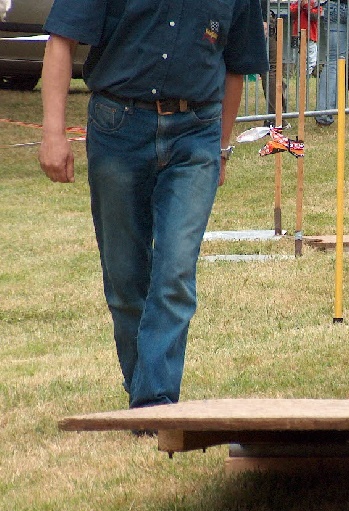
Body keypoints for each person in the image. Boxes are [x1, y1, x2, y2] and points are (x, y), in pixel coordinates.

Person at [38, 0, 268, 413]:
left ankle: (154, 403)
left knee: (175, 272)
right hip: (117, 127)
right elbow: (61, 41)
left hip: (196, 134)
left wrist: (222, 148)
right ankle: (143, 387)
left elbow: (239, 64)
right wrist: (53, 134)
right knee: (125, 278)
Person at [261, 2, 288, 126]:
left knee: (271, 69)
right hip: (260, 19)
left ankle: (278, 113)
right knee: (271, 69)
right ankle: (275, 117)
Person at [290, 0, 321, 76]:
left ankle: (308, 74)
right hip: (297, 35)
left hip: (311, 36)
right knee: (297, 57)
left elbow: (315, 17)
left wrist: (306, 6)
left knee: (311, 58)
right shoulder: (296, 2)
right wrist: (300, 5)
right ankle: (298, 74)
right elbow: (292, 15)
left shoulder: (315, 3)